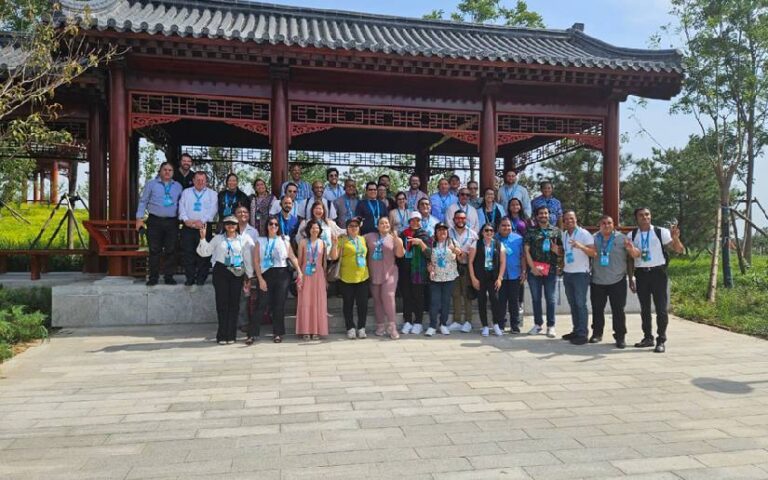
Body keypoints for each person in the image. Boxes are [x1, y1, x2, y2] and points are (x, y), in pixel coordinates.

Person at [627, 207, 685, 353]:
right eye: (641, 215)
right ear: (636, 218)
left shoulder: (660, 232)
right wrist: (630, 278)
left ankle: (661, 340)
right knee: (645, 309)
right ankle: (647, 337)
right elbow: (631, 258)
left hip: (658, 273)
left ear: (651, 216)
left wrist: (676, 238)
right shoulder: (632, 235)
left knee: (661, 309)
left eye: (647, 214)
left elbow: (679, 250)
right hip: (641, 274)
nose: (645, 217)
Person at [196, 216, 254, 344]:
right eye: (228, 223)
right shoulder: (218, 239)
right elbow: (204, 252)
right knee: (222, 303)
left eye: (233, 224)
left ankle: (231, 335)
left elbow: (248, 258)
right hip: (221, 271)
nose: (230, 226)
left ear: (237, 225)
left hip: (237, 272)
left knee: (234, 304)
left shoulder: (243, 239)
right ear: (224, 225)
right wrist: (202, 238)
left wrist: (249, 276)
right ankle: (222, 335)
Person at [250, 216, 302, 344]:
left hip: (282, 274)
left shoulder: (284, 240)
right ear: (266, 226)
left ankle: (278, 333)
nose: (273, 226)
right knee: (261, 304)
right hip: (266, 274)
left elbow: (292, 257)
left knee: (279, 305)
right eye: (270, 224)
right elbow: (256, 262)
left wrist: (299, 271)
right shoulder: (260, 241)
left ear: (279, 227)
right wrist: (260, 279)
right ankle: (252, 334)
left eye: (276, 224)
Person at [591, 215, 640, 349]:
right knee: (597, 309)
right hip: (597, 280)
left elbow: (630, 260)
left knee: (618, 310)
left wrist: (630, 279)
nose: (606, 225)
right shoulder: (594, 238)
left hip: (617, 280)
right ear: (599, 225)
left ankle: (620, 336)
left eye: (609, 223)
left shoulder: (623, 239)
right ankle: (597, 333)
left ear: (613, 225)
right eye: (603, 223)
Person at [135, 162, 183, 286]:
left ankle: (169, 276)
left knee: (171, 250)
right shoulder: (151, 184)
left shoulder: (178, 186)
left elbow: (182, 204)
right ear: (160, 171)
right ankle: (153, 277)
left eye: (170, 170)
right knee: (154, 250)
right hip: (154, 221)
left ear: (173, 172)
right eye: (165, 169)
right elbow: (143, 201)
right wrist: (139, 218)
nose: (167, 172)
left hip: (172, 222)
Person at [329, 217, 370, 339]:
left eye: (356, 226)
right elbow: (334, 257)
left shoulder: (362, 239)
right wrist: (335, 244)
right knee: (348, 304)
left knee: (363, 304)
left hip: (363, 276)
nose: (353, 228)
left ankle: (362, 327)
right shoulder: (343, 240)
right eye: (351, 226)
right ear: (347, 228)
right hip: (346, 277)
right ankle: (350, 327)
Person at [560, 211, 597, 345]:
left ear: (576, 219)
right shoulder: (564, 234)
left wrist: (580, 246)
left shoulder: (584, 234)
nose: (569, 221)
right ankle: (576, 330)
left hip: (581, 273)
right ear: (563, 221)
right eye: (566, 219)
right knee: (573, 304)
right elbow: (565, 252)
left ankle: (583, 334)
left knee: (581, 304)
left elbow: (593, 253)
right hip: (568, 273)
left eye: (571, 218)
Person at [524, 206, 562, 338]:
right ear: (536, 216)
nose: (543, 215)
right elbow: (526, 251)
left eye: (545, 213)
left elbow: (562, 251)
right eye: (541, 213)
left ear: (549, 215)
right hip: (534, 270)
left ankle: (551, 326)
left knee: (550, 299)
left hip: (550, 270)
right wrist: (532, 268)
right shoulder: (531, 231)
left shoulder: (556, 231)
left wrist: (557, 252)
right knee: (536, 298)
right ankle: (538, 324)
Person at [365, 217, 405, 339]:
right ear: (377, 226)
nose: (384, 225)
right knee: (377, 299)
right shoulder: (369, 236)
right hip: (374, 272)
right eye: (381, 223)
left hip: (390, 272)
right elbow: (355, 236)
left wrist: (399, 241)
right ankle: (380, 325)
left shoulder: (393, 238)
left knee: (388, 296)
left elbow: (400, 254)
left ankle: (392, 326)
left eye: (386, 223)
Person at [178, 171, 218, 286]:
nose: (200, 182)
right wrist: (186, 220)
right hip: (188, 227)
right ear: (193, 180)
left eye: (203, 180)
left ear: (206, 181)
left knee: (204, 254)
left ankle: (201, 278)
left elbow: (213, 210)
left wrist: (202, 221)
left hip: (204, 227)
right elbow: (181, 207)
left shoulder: (212, 194)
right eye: (198, 180)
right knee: (188, 253)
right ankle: (190, 278)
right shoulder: (186, 192)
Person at [469, 223, 506, 336]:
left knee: (495, 300)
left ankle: (495, 324)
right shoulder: (477, 243)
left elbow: (503, 262)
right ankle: (484, 325)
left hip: (493, 277)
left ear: (494, 232)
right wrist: (473, 278)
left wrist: (500, 278)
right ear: (482, 232)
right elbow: (470, 262)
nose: (489, 232)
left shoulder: (499, 244)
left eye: (491, 230)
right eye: (486, 230)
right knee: (482, 301)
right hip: (480, 277)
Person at [295, 219, 329, 340]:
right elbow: (299, 260)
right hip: (305, 273)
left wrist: (325, 278)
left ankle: (316, 330)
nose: (315, 230)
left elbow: (324, 262)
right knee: (305, 301)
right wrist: (299, 275)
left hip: (318, 274)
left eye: (317, 228)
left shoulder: (322, 243)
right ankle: (305, 330)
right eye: (312, 228)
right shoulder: (303, 242)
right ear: (308, 229)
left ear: (320, 230)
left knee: (318, 301)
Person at [427, 223, 462, 336]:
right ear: (436, 232)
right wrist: (429, 267)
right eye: (440, 230)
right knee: (434, 302)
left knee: (446, 302)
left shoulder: (452, 242)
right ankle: (432, 325)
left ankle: (443, 324)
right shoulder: (432, 243)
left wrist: (456, 250)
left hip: (449, 277)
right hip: (435, 277)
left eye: (444, 230)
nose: (442, 232)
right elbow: (428, 259)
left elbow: (461, 255)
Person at [400, 212, 432, 335]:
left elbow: (429, 253)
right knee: (406, 296)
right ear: (409, 221)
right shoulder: (403, 234)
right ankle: (407, 321)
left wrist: (420, 242)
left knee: (418, 296)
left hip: (418, 270)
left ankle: (418, 322)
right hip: (405, 269)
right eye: (413, 220)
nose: (415, 222)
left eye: (418, 220)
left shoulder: (425, 235)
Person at [448, 209, 478, 333]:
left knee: (467, 295)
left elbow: (476, 251)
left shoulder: (473, 234)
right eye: (458, 218)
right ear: (454, 219)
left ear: (466, 220)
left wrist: (467, 254)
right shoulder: (448, 232)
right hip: (453, 267)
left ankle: (468, 321)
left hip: (467, 267)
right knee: (455, 295)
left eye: (462, 218)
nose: (460, 220)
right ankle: (456, 321)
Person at [496, 217, 526, 333]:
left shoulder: (518, 239)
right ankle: (501, 325)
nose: (506, 228)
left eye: (508, 225)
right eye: (503, 225)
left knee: (514, 301)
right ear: (499, 227)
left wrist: (523, 272)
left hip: (515, 274)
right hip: (500, 276)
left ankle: (515, 325)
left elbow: (522, 256)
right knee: (501, 301)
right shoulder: (495, 239)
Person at [506, 197, 530, 320]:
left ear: (520, 206)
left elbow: (528, 234)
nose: (515, 207)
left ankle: (519, 302)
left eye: (517, 204)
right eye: (512, 205)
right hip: (509, 248)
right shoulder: (506, 219)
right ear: (509, 207)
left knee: (520, 277)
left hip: (521, 247)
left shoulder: (525, 220)